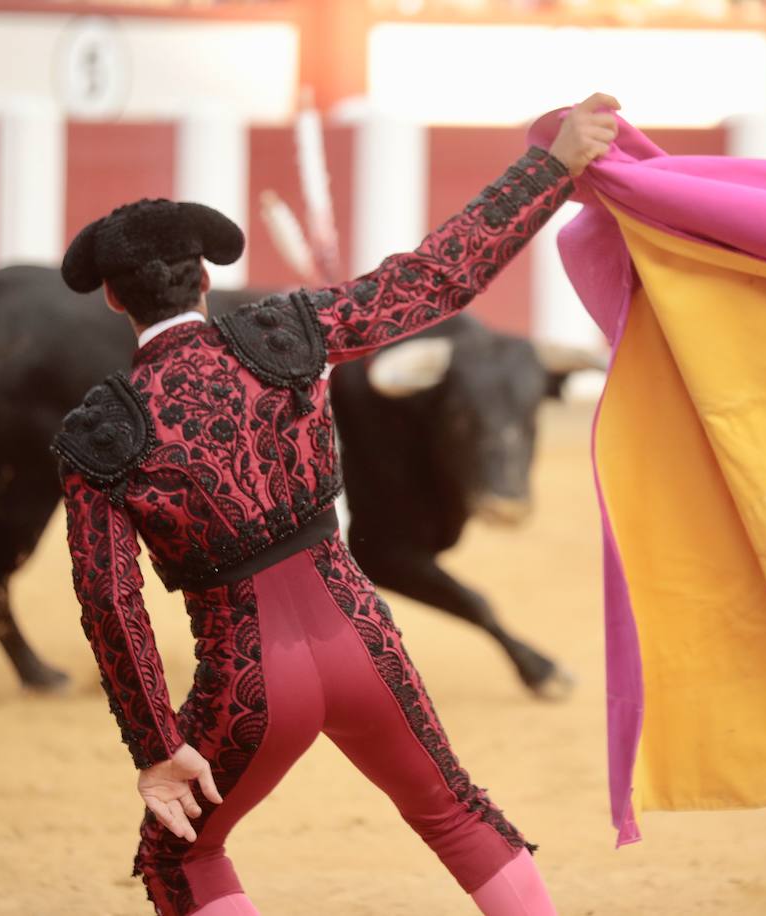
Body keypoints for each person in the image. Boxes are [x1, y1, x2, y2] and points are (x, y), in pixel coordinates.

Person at [52, 93, 618, 916]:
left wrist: (157, 746)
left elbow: (109, 599)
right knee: (456, 811)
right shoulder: (287, 331)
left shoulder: (100, 429)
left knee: (179, 854)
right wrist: (553, 166)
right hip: (361, 635)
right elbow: (436, 277)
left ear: (113, 299)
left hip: (247, 679)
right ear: (205, 278)